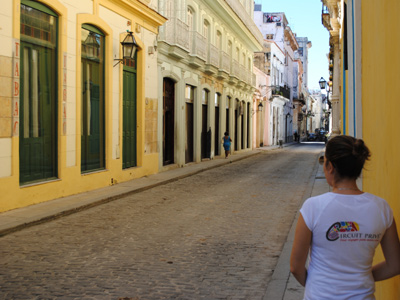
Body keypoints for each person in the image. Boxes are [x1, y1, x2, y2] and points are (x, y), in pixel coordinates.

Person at [290, 135, 400, 299]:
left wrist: (318, 285)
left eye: (324, 161)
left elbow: (295, 267)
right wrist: (361, 278)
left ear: (331, 167)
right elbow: (395, 265)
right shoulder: (381, 208)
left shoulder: (313, 207)